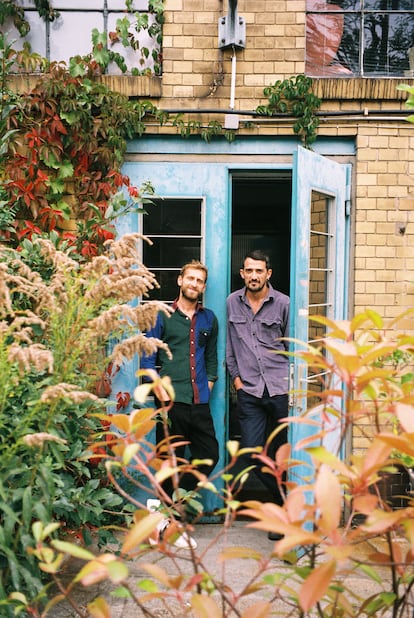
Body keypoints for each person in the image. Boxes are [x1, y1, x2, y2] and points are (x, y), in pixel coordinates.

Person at [141, 260, 219, 549]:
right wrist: (158, 391)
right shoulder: (162, 315)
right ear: (180, 280)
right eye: (190, 279)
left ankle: (164, 511)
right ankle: (164, 525)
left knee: (209, 454)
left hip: (199, 401)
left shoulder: (209, 319)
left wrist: (209, 383)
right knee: (168, 462)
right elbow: (148, 359)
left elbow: (211, 358)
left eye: (199, 281)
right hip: (170, 402)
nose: (194, 284)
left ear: (203, 287)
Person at [226, 250, 290, 541]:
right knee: (251, 453)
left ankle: (282, 516)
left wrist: (290, 380)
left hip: (279, 390)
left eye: (259, 271)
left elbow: (293, 346)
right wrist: (236, 380)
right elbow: (229, 346)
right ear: (242, 274)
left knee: (280, 455)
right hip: (249, 390)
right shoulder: (231, 303)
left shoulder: (284, 304)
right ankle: (285, 501)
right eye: (249, 271)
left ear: (268, 274)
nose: (254, 276)